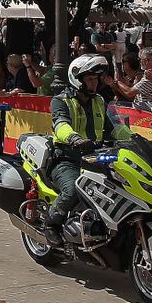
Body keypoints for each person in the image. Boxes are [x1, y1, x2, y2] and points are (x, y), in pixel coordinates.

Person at [42, 55, 131, 244]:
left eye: (96, 79)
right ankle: (51, 223)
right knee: (73, 189)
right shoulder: (61, 100)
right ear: (78, 80)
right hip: (67, 159)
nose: (95, 83)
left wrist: (134, 138)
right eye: (90, 79)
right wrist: (74, 138)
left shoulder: (99, 100)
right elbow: (60, 124)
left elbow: (114, 127)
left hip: (96, 159)